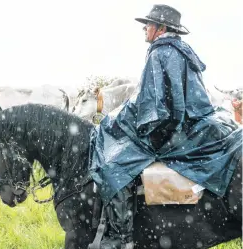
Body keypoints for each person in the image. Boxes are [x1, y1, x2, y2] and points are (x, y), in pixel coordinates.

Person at [88, 4, 242, 249]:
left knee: (113, 166)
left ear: (160, 28)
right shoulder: (183, 51)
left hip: (174, 131)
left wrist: (121, 121)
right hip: (194, 123)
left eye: (148, 25)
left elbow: (156, 110)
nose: (144, 30)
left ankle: (120, 237)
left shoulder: (159, 53)